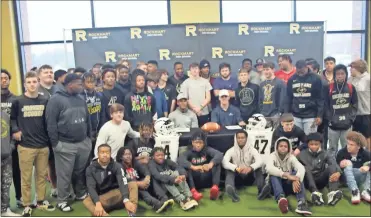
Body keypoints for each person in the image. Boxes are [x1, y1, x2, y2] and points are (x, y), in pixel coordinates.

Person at [45, 73, 92, 212]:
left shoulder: (81, 98)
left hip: (83, 142)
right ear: (70, 84)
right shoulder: (55, 100)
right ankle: (62, 200)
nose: (81, 86)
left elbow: (87, 119)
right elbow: (51, 124)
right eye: (79, 84)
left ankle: (80, 193)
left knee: (79, 172)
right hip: (65, 144)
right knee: (64, 174)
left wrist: (88, 138)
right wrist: (55, 144)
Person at [10, 72, 55, 216]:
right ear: (24, 84)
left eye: (34, 82)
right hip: (26, 146)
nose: (32, 85)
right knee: (26, 177)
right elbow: (12, 119)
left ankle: (41, 201)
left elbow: (49, 120)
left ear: (38, 83)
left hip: (43, 145)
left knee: (41, 176)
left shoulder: (45, 99)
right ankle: (27, 204)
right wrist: (15, 130)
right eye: (29, 82)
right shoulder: (18, 101)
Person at [84, 144, 137, 217]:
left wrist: (126, 199)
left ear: (110, 154)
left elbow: (122, 182)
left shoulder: (117, 166)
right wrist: (97, 203)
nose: (105, 155)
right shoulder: (90, 169)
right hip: (103, 199)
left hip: (118, 196)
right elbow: (91, 187)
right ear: (98, 154)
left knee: (132, 184)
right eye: (102, 152)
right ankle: (104, 215)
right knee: (87, 200)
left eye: (107, 152)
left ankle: (132, 213)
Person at [116, 147, 174, 213]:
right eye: (125, 154)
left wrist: (147, 178)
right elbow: (122, 181)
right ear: (121, 157)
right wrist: (139, 183)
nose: (128, 156)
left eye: (129, 154)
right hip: (128, 189)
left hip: (140, 184)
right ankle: (156, 204)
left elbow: (145, 170)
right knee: (137, 188)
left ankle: (164, 199)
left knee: (152, 177)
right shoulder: (118, 166)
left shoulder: (135, 163)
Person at [266, 137, 311, 215]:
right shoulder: (272, 156)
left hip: (287, 186)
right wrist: (285, 174)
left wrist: (296, 179)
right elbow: (269, 168)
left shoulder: (291, 157)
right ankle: (281, 199)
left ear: (289, 148)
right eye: (281, 146)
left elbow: (301, 168)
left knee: (296, 173)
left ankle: (301, 203)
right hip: (274, 187)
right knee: (274, 175)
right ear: (277, 147)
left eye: (285, 146)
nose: (283, 148)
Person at [298, 133, 343, 206]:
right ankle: (315, 193)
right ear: (308, 144)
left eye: (316, 144)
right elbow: (294, 165)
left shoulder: (325, 153)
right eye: (311, 144)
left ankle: (333, 193)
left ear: (320, 144)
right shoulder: (301, 154)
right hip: (307, 181)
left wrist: (338, 172)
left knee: (332, 167)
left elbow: (333, 163)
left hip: (320, 180)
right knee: (305, 168)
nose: (314, 146)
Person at [178, 130, 223, 201]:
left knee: (217, 163)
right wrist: (194, 167)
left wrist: (210, 165)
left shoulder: (207, 149)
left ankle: (215, 187)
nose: (198, 145)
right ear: (192, 142)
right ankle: (193, 191)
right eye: (196, 142)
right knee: (186, 168)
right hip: (194, 177)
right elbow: (180, 160)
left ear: (204, 143)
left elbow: (219, 154)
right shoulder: (189, 151)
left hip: (206, 174)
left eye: (200, 143)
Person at [222, 130, 264, 202]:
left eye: (242, 138)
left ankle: (262, 191)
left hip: (249, 176)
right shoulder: (231, 150)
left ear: (246, 139)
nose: (240, 140)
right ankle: (232, 192)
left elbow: (260, 161)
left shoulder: (252, 150)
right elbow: (224, 162)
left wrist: (251, 168)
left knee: (258, 168)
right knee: (229, 170)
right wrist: (235, 168)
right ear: (236, 139)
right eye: (238, 138)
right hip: (237, 176)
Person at [1, 69, 22, 207]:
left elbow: (18, 121)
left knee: (15, 171)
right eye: (1, 78)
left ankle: (19, 198)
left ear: (9, 80)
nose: (3, 80)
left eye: (6, 78)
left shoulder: (15, 99)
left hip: (11, 143)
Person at [327, 64, 358, 157]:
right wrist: (329, 120)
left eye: (342, 73)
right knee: (332, 149)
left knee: (348, 148)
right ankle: (332, 169)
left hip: (347, 125)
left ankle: (346, 168)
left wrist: (351, 119)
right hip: (333, 125)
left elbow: (355, 105)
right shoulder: (329, 87)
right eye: (338, 74)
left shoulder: (351, 87)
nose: (340, 76)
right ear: (334, 75)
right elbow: (325, 105)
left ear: (346, 74)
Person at [286, 60, 324, 135]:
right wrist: (287, 114)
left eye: (302, 71)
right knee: (296, 139)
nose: (300, 73)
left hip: (310, 115)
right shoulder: (291, 79)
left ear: (306, 68)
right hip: (296, 115)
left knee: (310, 139)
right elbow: (288, 98)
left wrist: (319, 115)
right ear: (296, 69)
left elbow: (320, 98)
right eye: (298, 71)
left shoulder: (316, 78)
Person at [37, 65, 58, 199]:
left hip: (58, 131)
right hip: (41, 133)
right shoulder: (36, 91)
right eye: (46, 72)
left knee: (57, 161)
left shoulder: (58, 89)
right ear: (39, 76)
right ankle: (49, 190)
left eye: (51, 72)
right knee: (45, 163)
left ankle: (59, 187)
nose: (49, 74)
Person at [336, 131, 370, 204]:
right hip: (345, 178)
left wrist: (368, 167)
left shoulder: (365, 153)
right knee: (348, 163)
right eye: (348, 143)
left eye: (352, 145)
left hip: (359, 176)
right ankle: (354, 191)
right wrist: (340, 166)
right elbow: (335, 167)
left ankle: (366, 191)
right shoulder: (341, 152)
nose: (348, 146)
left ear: (358, 146)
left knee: (369, 164)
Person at [1, 109, 21, 216]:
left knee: (6, 184)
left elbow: (13, 133)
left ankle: (4, 210)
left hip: (6, 157)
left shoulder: (5, 115)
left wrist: (11, 147)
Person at [82, 72, 106, 157]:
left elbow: (102, 113)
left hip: (97, 129)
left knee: (97, 153)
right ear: (83, 83)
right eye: (88, 82)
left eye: (92, 82)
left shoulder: (100, 95)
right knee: (87, 155)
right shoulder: (80, 96)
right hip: (85, 131)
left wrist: (101, 128)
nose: (91, 84)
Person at [348, 59, 370, 150]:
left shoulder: (368, 79)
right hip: (354, 113)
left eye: (352, 68)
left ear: (357, 68)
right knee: (355, 137)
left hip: (366, 113)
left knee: (367, 136)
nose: (350, 70)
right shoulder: (350, 79)